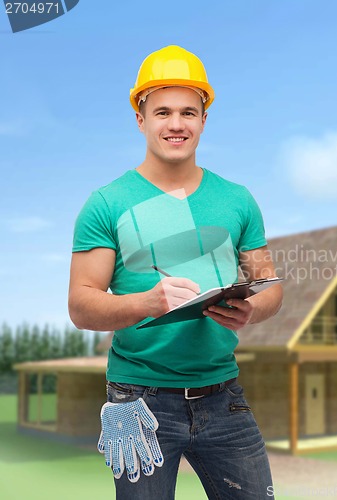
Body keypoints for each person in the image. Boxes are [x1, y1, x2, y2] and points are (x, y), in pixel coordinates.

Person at [68, 45, 283, 499]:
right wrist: (148, 302)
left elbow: (270, 286)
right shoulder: (107, 203)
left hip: (224, 397)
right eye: (162, 111)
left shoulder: (238, 199)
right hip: (138, 401)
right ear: (140, 118)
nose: (176, 124)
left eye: (189, 111)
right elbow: (82, 305)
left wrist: (251, 309)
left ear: (204, 119)